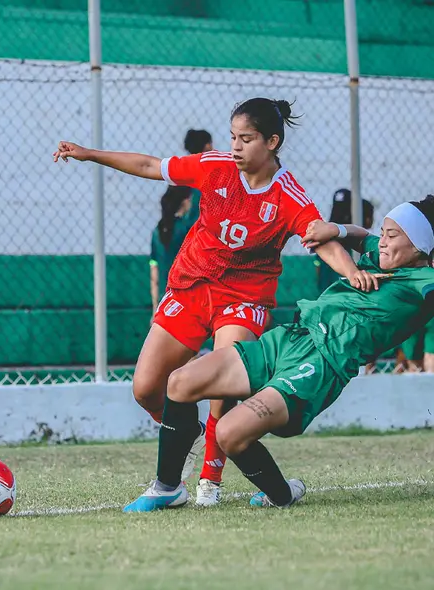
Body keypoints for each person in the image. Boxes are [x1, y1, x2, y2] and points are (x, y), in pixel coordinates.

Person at [54, 98, 369, 506]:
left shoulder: (286, 194)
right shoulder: (214, 165)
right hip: (191, 284)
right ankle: (192, 435)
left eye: (247, 139)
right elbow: (152, 166)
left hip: (244, 296)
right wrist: (89, 154)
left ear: (272, 142)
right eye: (233, 137)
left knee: (223, 380)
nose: (236, 147)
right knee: (146, 388)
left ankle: (209, 478)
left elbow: (318, 237)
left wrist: (351, 271)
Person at [123, 196, 433, 511]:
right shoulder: (377, 254)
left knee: (230, 434)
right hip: (289, 338)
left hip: (321, 364)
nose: (381, 241)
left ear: (420, 246)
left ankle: (281, 495)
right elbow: (356, 233)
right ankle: (168, 487)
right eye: (383, 232)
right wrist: (334, 229)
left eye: (392, 236)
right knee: (179, 383)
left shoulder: (425, 283)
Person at [149, 130, 212, 315]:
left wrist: (155, 308)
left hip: (165, 303)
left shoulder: (158, 231)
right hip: (192, 299)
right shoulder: (190, 225)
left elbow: (154, 273)